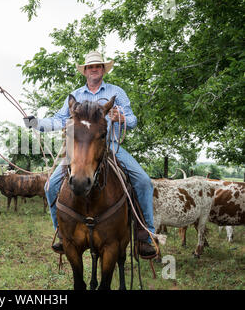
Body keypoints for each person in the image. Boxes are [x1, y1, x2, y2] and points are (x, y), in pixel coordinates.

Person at [23, 50, 156, 257]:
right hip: (78, 150)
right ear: (85, 71)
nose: (94, 69)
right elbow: (59, 120)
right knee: (51, 186)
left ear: (103, 70)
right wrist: (36, 123)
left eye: (98, 66)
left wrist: (121, 117)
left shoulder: (116, 92)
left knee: (144, 181)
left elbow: (133, 120)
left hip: (110, 146)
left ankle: (146, 235)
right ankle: (61, 231)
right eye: (90, 67)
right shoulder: (75, 96)